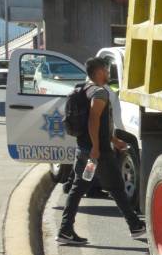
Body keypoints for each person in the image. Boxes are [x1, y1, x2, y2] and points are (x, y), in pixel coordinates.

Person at [58, 55, 145, 245]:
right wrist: (97, 148)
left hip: (84, 149)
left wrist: (114, 139)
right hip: (99, 153)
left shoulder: (82, 89)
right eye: (106, 70)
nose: (107, 73)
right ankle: (135, 225)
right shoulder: (99, 93)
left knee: (78, 187)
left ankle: (65, 229)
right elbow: (93, 120)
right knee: (116, 188)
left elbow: (98, 123)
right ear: (98, 72)